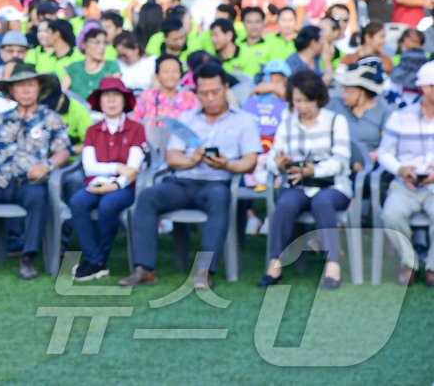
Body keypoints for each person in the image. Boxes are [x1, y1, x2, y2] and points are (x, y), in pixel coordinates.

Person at [121, 66, 261, 290]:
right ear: (197, 93)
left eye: (215, 92)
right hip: (183, 181)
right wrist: (192, 160)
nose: (210, 98)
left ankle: (205, 271)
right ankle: (144, 269)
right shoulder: (187, 118)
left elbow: (250, 161)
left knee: (219, 199)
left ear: (225, 88)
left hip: (218, 182)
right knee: (147, 197)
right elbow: (173, 156)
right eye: (204, 93)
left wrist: (227, 164)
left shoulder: (243, 120)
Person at [0, 64, 71, 281]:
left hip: (30, 181)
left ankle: (28, 258)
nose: (25, 90)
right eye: (20, 86)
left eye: (30, 85)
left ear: (39, 88)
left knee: (38, 198)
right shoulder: (0, 119)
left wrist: (47, 166)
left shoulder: (51, 118)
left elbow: (64, 151)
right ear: (12, 91)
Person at [260, 70, 351, 290]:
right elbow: (272, 157)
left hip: (332, 185)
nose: (301, 106)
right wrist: (279, 163)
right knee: (285, 204)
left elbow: (341, 161)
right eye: (297, 100)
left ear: (317, 98)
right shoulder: (287, 124)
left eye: (306, 100)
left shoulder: (335, 121)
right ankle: (275, 265)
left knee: (322, 202)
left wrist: (314, 171)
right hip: (298, 183)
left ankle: (333, 265)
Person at [69, 77, 147, 280]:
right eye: (106, 97)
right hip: (95, 182)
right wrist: (116, 167)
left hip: (125, 186)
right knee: (77, 202)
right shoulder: (92, 130)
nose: (111, 101)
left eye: (116, 96)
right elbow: (89, 166)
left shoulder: (136, 128)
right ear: (100, 102)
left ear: (124, 101)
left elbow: (133, 168)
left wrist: (115, 184)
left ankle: (97, 260)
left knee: (108, 205)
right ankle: (95, 259)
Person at [375, 62, 434, 286]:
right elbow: (384, 153)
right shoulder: (400, 117)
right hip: (405, 183)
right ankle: (410, 263)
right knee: (391, 213)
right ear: (426, 88)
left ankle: (432, 265)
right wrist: (401, 169)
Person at [328, 59, 390, 168]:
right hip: (336, 162)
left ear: (361, 92)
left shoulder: (384, 111)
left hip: (369, 167)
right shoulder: (335, 105)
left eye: (347, 88)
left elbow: (388, 143)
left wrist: (373, 156)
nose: (343, 91)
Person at [131, 54, 199, 126]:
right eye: (166, 71)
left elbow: (197, 125)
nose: (171, 75)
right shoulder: (146, 96)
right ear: (157, 75)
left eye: (175, 71)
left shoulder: (189, 97)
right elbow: (135, 123)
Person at [63, 26, 118, 98]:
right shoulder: (74, 68)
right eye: (97, 42)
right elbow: (62, 93)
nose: (102, 47)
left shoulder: (111, 66)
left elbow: (115, 94)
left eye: (104, 43)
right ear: (84, 45)